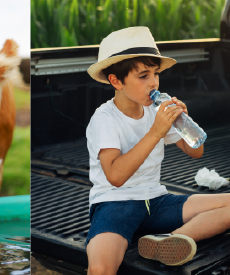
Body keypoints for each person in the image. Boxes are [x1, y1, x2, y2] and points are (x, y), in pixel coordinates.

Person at [85, 26, 230, 275]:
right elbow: (115, 177)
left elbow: (197, 152)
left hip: (156, 201)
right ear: (116, 81)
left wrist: (184, 123)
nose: (153, 82)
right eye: (143, 76)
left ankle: (173, 239)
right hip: (115, 204)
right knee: (101, 268)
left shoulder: (155, 110)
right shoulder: (104, 118)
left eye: (156, 73)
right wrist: (155, 132)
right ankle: (167, 239)